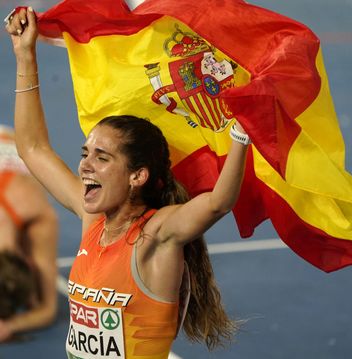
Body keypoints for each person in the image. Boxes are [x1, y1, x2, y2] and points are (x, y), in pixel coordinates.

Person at [6, 7, 251, 358]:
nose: (85, 166)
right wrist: (25, 55)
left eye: (101, 158)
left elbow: (217, 203)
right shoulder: (94, 221)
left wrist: (241, 134)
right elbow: (31, 148)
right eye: (85, 152)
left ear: (138, 176)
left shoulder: (157, 235)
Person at [0, 125, 58, 342]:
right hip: (9, 146)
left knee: (36, 296)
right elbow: (44, 310)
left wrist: (10, 324)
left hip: (9, 138)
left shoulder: (40, 217)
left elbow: (48, 309)